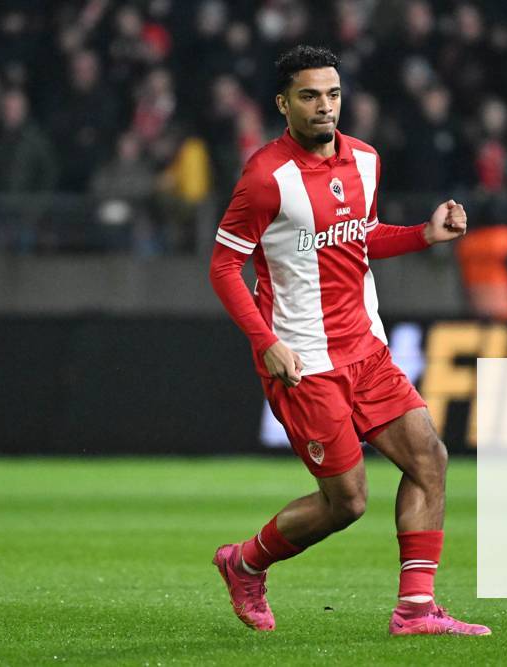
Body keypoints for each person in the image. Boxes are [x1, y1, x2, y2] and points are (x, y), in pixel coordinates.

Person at [208, 45, 490, 636]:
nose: (325, 107)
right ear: (284, 103)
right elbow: (223, 267)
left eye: (333, 94)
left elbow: (358, 237)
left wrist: (423, 234)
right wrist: (266, 343)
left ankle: (415, 610)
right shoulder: (266, 177)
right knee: (347, 503)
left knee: (429, 459)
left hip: (366, 348)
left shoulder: (364, 159)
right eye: (310, 96)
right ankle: (246, 563)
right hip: (302, 361)